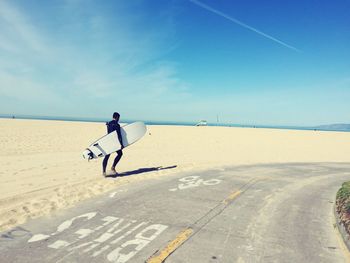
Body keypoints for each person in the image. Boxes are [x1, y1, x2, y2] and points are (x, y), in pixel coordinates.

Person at [102, 112, 123, 176]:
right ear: (117, 117)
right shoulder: (117, 125)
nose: (118, 119)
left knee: (107, 156)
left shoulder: (109, 123)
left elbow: (108, 133)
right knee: (120, 154)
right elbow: (119, 135)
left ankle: (104, 171)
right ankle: (113, 167)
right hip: (115, 143)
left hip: (109, 142)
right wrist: (121, 144)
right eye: (118, 118)